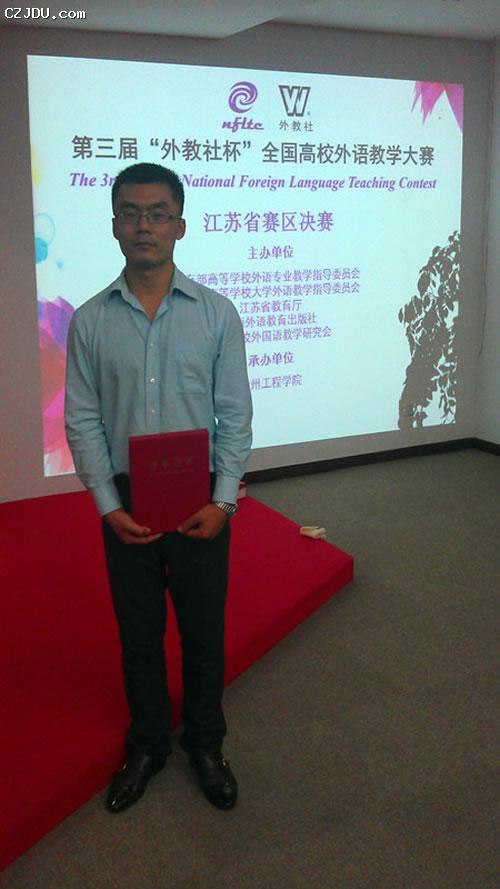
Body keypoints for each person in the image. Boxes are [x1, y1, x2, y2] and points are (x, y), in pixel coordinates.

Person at [65, 162, 252, 813]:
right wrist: (107, 506)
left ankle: (205, 743)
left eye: (158, 213)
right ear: (115, 224)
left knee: (203, 634)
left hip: (200, 499)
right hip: (126, 502)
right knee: (139, 636)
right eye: (131, 212)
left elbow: (235, 413)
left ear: (180, 225)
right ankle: (147, 743)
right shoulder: (90, 320)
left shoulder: (217, 314)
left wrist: (223, 500)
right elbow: (82, 417)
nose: (144, 225)